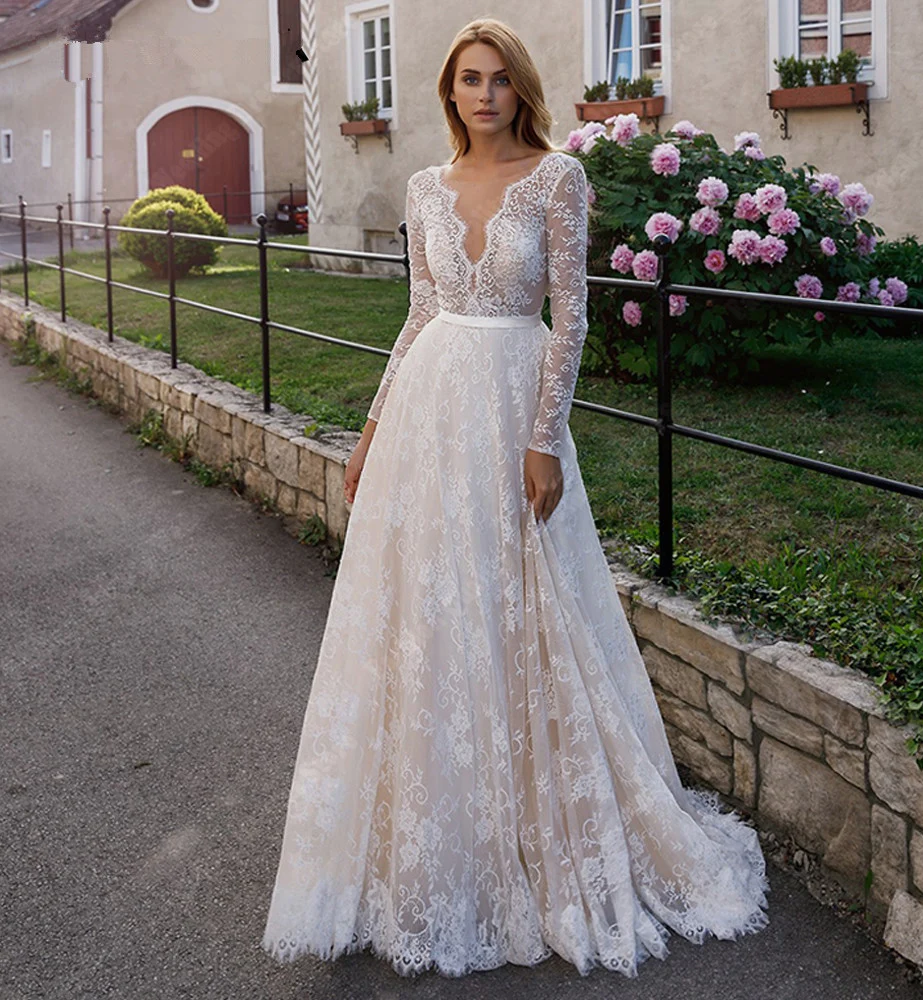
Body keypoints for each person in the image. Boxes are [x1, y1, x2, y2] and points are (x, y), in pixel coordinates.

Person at [261, 16, 770, 979]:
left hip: (510, 409)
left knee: (524, 600)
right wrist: (369, 434)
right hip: (429, 415)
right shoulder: (421, 187)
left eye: (498, 78)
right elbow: (417, 315)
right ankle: (439, 833)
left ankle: (544, 822)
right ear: (450, 93)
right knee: (434, 613)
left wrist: (544, 441)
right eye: (468, 80)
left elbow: (570, 317)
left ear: (519, 88)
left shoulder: (557, 178)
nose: (484, 93)